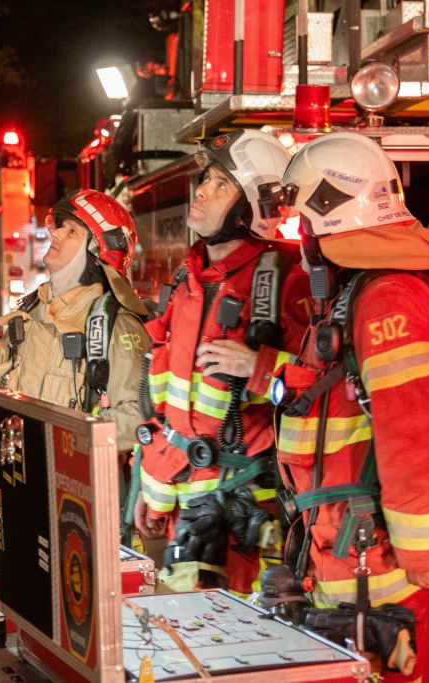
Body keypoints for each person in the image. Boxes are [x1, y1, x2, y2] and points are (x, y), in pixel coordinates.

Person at [255, 131, 429, 683]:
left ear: (330, 211)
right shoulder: (356, 294)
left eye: (302, 223)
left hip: (385, 572)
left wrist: (423, 558)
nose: (299, 238)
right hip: (351, 551)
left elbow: (416, 429)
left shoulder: (387, 298)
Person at [130, 129, 311, 595]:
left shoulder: (286, 280)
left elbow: (326, 389)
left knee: (248, 636)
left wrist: (260, 367)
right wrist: (151, 489)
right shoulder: (188, 278)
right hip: (188, 515)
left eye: (221, 183)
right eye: (205, 179)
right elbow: (167, 409)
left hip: (249, 522)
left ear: (253, 207)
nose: (202, 191)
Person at [0, 190, 150, 453]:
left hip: (73, 476)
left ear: (96, 254)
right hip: (24, 471)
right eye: (60, 226)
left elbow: (137, 416)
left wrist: (71, 440)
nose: (56, 234)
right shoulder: (33, 314)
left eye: (72, 232)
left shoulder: (116, 327)